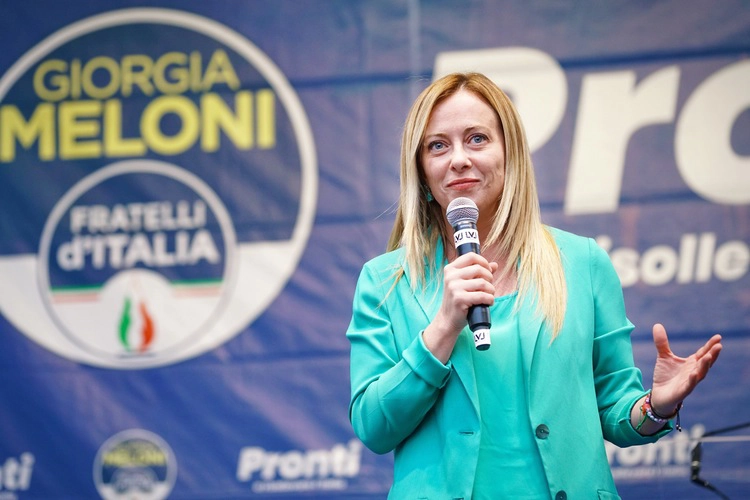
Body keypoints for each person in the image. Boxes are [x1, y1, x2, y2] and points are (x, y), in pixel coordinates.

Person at [346, 72, 723, 499]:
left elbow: (617, 413)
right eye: (438, 146)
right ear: (422, 172)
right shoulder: (384, 280)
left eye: (476, 139)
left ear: (510, 154)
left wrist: (658, 406)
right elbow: (374, 428)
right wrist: (442, 330)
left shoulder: (582, 263)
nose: (458, 159)